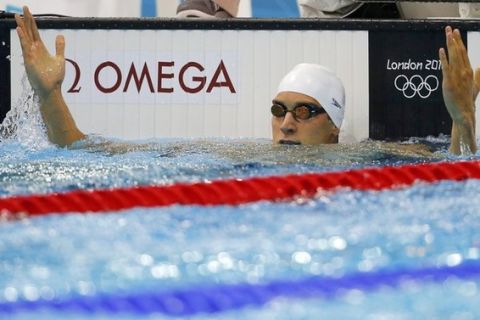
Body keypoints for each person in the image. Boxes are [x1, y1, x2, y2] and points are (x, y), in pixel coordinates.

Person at [14, 6, 479, 155]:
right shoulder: (237, 152)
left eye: (304, 110)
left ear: (334, 127)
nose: (288, 123)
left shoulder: (365, 155)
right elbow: (87, 152)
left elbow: (456, 173)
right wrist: (49, 94)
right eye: (279, 110)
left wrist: (462, 117)